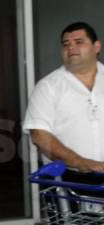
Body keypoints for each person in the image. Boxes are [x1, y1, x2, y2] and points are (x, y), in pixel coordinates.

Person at [23, 22, 104, 173]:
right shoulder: (48, 87)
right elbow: (40, 136)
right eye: (66, 44)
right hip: (72, 182)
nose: (71, 48)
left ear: (96, 47)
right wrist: (83, 163)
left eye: (79, 42)